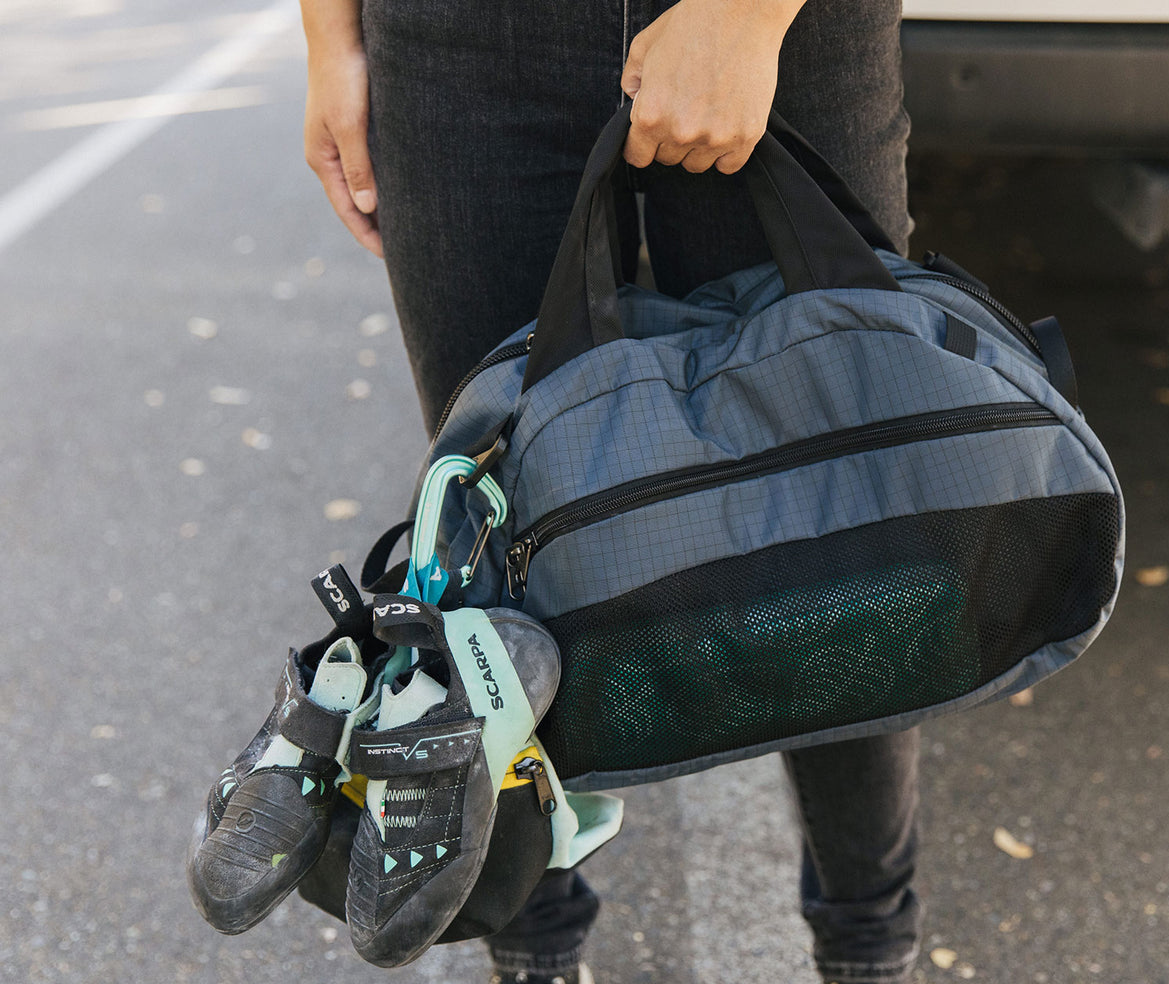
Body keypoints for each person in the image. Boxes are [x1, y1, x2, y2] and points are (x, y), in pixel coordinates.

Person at [297, 1, 921, 982]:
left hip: (781, 31)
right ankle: (535, 951)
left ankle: (869, 955)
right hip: (458, 45)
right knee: (498, 540)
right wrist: (329, 41)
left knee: (836, 521)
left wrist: (743, 17)